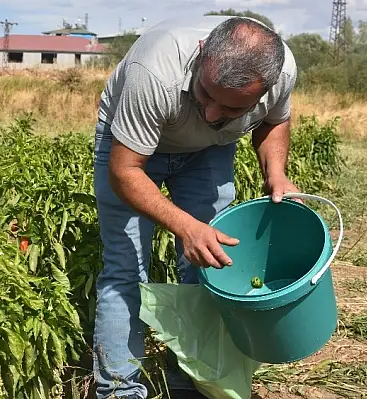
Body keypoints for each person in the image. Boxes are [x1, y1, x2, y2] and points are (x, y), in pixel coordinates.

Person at [92, 15, 299, 399]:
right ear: (203, 55)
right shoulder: (154, 70)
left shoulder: (281, 71)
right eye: (206, 94)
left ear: (265, 88)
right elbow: (124, 173)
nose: (211, 115)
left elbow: (274, 121)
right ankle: (120, 390)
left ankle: (192, 380)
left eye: (231, 109)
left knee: (209, 265)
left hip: (209, 151)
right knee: (125, 269)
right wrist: (185, 226)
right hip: (134, 148)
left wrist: (276, 173)